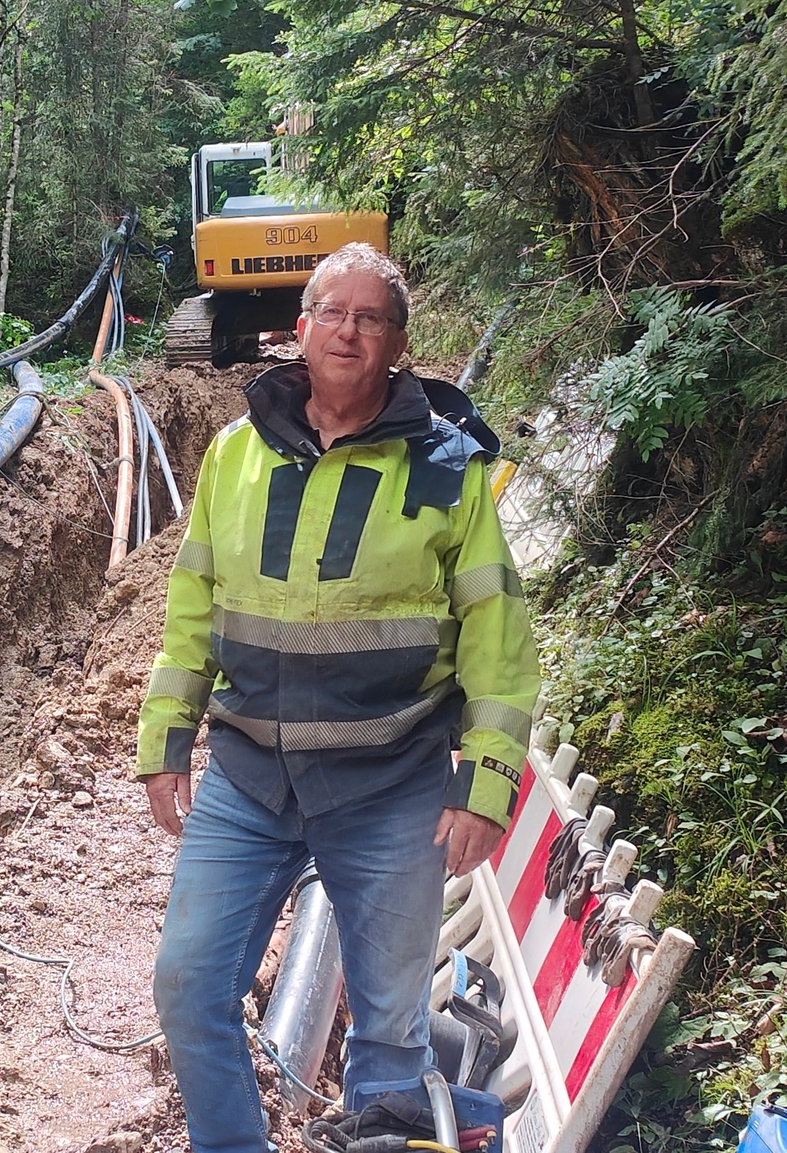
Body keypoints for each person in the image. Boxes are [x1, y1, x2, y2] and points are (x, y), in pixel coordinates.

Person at [135, 243, 540, 1153]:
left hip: (389, 788)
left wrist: (484, 783)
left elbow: (498, 643)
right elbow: (192, 606)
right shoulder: (236, 454)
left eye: (371, 317)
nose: (348, 329)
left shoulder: (449, 470)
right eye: (333, 311)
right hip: (248, 780)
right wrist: (165, 739)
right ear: (302, 327)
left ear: (398, 342)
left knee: (390, 1036)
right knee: (190, 988)